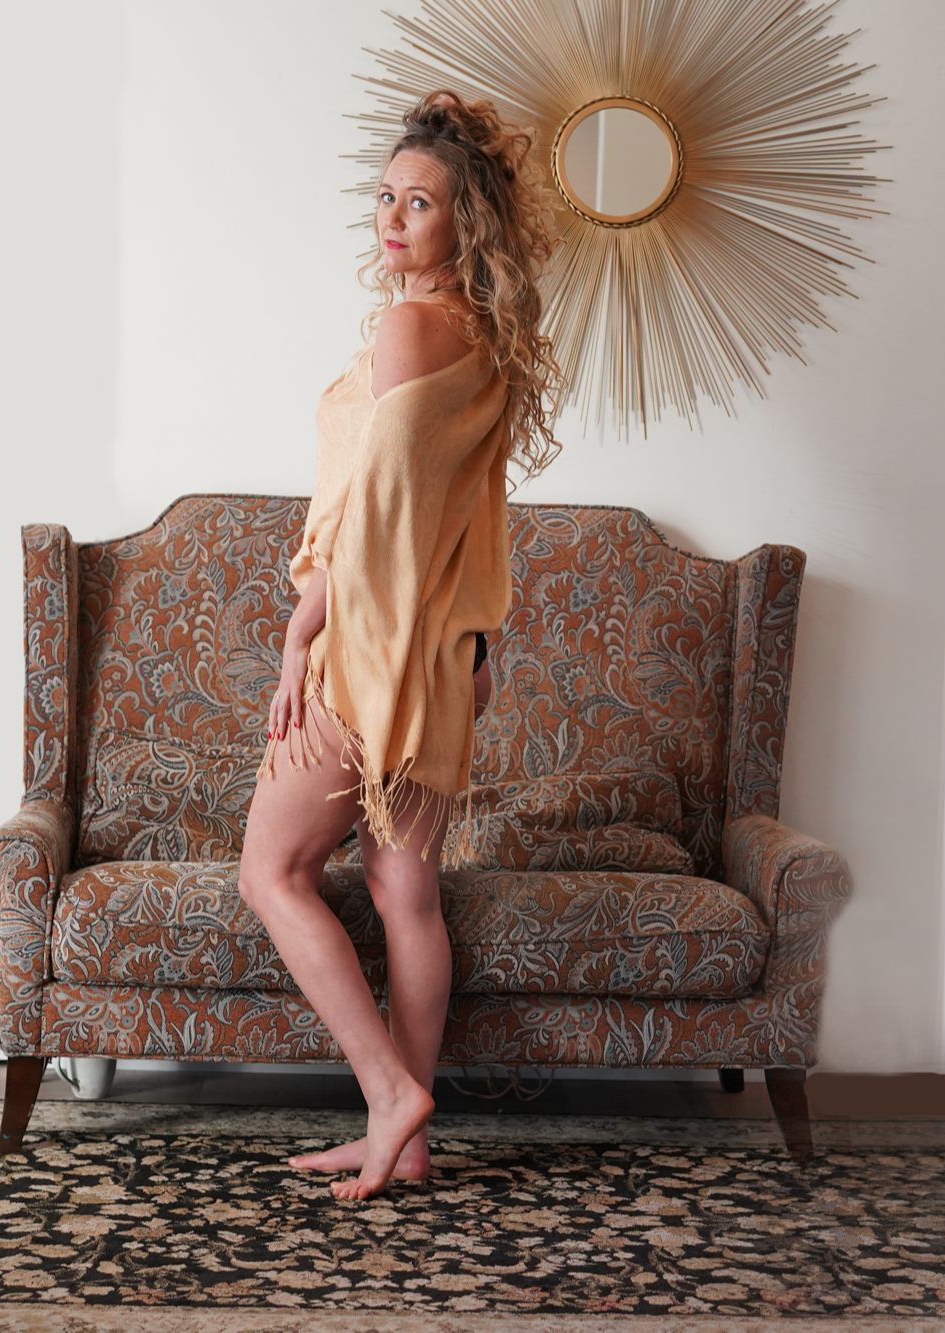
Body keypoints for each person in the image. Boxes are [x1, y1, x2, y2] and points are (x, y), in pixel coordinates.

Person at [236, 89, 562, 1200]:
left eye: (417, 203)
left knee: (271, 870)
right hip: (442, 659)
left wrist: (300, 639)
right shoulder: (487, 344)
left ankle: (389, 1094)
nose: (390, 218)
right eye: (384, 197)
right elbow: (465, 520)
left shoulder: (406, 329)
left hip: (369, 653)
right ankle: (406, 1144)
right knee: (401, 892)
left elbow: (367, 513)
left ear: (465, 221)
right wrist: (475, 642)